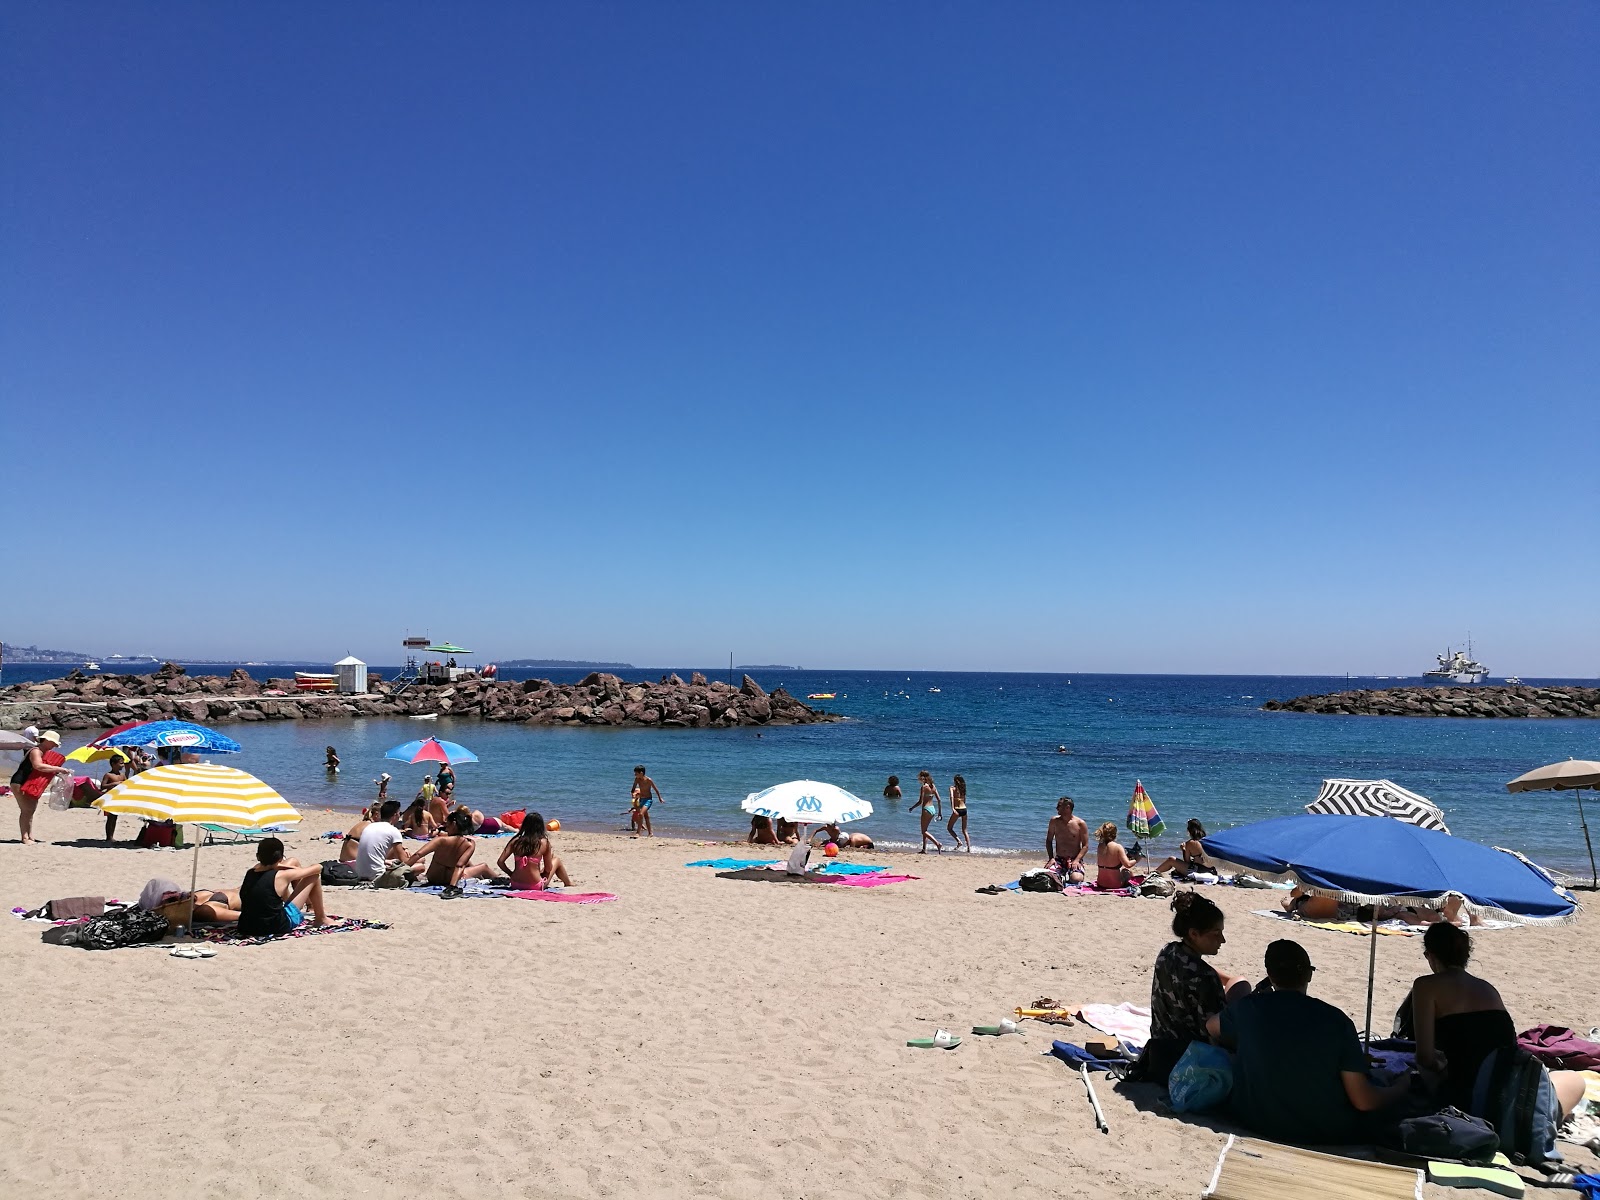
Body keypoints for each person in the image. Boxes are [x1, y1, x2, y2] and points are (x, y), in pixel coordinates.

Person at [1209, 940, 1411, 1145]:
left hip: (1256, 1120)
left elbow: (1211, 1026)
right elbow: (1364, 1101)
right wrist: (1401, 1088)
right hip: (1321, 1130)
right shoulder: (1335, 1020)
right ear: (1309, 974)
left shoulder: (1247, 1008)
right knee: (1383, 1079)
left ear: (1270, 976)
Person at [1411, 921, 1586, 1118]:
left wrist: (1440, 1066)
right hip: (1508, 1094)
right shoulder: (1487, 988)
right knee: (1573, 1080)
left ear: (1431, 955)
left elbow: (1424, 1057)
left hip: (1466, 1100)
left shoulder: (1425, 986)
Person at [1138, 891, 1252, 1085]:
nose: (1222, 940)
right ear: (1193, 933)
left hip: (1160, 1048)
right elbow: (1218, 1032)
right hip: (1192, 1057)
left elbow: (1201, 971)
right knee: (1242, 987)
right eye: (1216, 934)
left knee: (1238, 981)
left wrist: (1230, 980)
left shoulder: (1168, 951)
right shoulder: (1204, 978)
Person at [238, 837, 330, 935]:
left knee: (293, 863)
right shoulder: (282, 876)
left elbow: (260, 866)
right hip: (276, 927)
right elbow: (318, 868)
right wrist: (290, 867)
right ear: (281, 859)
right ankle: (321, 918)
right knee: (314, 876)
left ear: (257, 856)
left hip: (246, 927)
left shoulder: (250, 873)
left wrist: (280, 865)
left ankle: (310, 907)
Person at [408, 809, 500, 892]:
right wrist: (452, 886)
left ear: (454, 824)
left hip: (434, 878)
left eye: (447, 824)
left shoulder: (441, 840)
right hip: (450, 879)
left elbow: (418, 854)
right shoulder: (470, 844)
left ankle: (486, 879)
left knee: (467, 863)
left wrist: (403, 868)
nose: (446, 828)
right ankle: (501, 881)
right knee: (483, 867)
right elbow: (459, 866)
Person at [10, 730, 69, 844]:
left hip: (31, 783)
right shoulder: (36, 751)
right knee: (26, 810)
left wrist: (56, 772)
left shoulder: (43, 751)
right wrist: (58, 769)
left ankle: (30, 835)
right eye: (53, 743)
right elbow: (38, 766)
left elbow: (42, 769)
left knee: (31, 810)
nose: (54, 746)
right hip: (20, 782)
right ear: (47, 740)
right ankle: (25, 837)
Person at [496, 812, 572, 889]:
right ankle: (568, 883)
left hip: (515, 884)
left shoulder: (515, 841)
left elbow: (500, 862)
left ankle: (568, 883)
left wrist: (511, 874)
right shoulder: (543, 843)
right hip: (534, 886)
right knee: (556, 860)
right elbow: (548, 869)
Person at [353, 799, 415, 881]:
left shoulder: (370, 826)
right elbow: (404, 862)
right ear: (395, 814)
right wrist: (418, 856)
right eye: (399, 813)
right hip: (377, 876)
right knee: (420, 867)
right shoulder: (393, 830)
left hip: (359, 873)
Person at [1044, 796, 1088, 883]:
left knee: (1076, 879)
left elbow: (1085, 846)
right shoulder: (1054, 821)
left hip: (1074, 859)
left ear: (1067, 807)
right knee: (1048, 878)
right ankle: (1059, 875)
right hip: (1059, 859)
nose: (1057, 808)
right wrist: (1051, 858)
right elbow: (1049, 841)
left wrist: (1077, 860)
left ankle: (1072, 874)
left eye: (1059, 806)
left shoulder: (1080, 823)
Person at [1095, 822, 1138, 889]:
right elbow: (1128, 865)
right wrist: (1137, 859)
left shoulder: (1100, 846)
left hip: (1100, 883)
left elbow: (1109, 859)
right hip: (1115, 885)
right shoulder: (1118, 847)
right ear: (1115, 834)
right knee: (1126, 872)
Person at [910, 770, 944, 853]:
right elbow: (939, 800)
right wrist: (940, 812)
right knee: (925, 830)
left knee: (924, 831)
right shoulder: (933, 786)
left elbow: (920, 801)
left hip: (926, 809)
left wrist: (912, 808)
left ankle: (937, 843)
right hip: (932, 809)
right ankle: (924, 849)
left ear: (923, 777)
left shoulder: (924, 787)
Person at [631, 765, 663, 836]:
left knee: (640, 814)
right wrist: (634, 794)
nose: (635, 775)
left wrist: (660, 798)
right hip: (641, 800)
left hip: (648, 800)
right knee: (646, 817)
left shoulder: (649, 780)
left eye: (636, 773)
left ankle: (638, 833)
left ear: (641, 773)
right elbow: (633, 788)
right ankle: (650, 833)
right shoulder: (637, 780)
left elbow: (656, 789)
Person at [946, 774, 970, 850]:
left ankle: (959, 841)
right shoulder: (963, 789)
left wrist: (953, 808)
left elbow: (951, 798)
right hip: (964, 809)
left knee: (949, 828)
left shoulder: (952, 788)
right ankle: (969, 848)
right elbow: (964, 800)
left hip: (957, 809)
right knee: (965, 830)